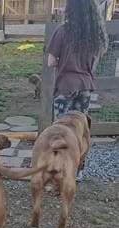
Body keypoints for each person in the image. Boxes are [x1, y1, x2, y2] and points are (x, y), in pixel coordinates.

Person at [47, 0, 108, 181]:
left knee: (61, 131)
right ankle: (79, 170)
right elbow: (96, 58)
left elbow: (51, 62)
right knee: (80, 131)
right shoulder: (94, 33)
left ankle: (59, 170)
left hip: (66, 86)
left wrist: (62, 60)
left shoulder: (62, 31)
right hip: (85, 87)